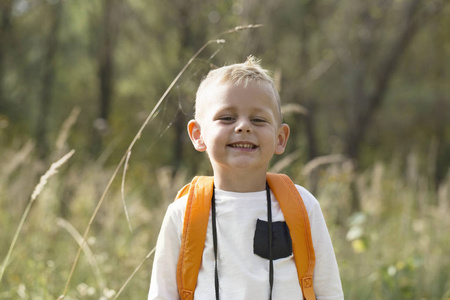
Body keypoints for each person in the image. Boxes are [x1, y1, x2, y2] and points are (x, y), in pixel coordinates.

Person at [148, 56, 344, 299]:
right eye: (227, 118)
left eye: (258, 119)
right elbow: (163, 294)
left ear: (280, 138)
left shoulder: (302, 206)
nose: (243, 126)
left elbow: (328, 291)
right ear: (198, 134)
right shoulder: (183, 213)